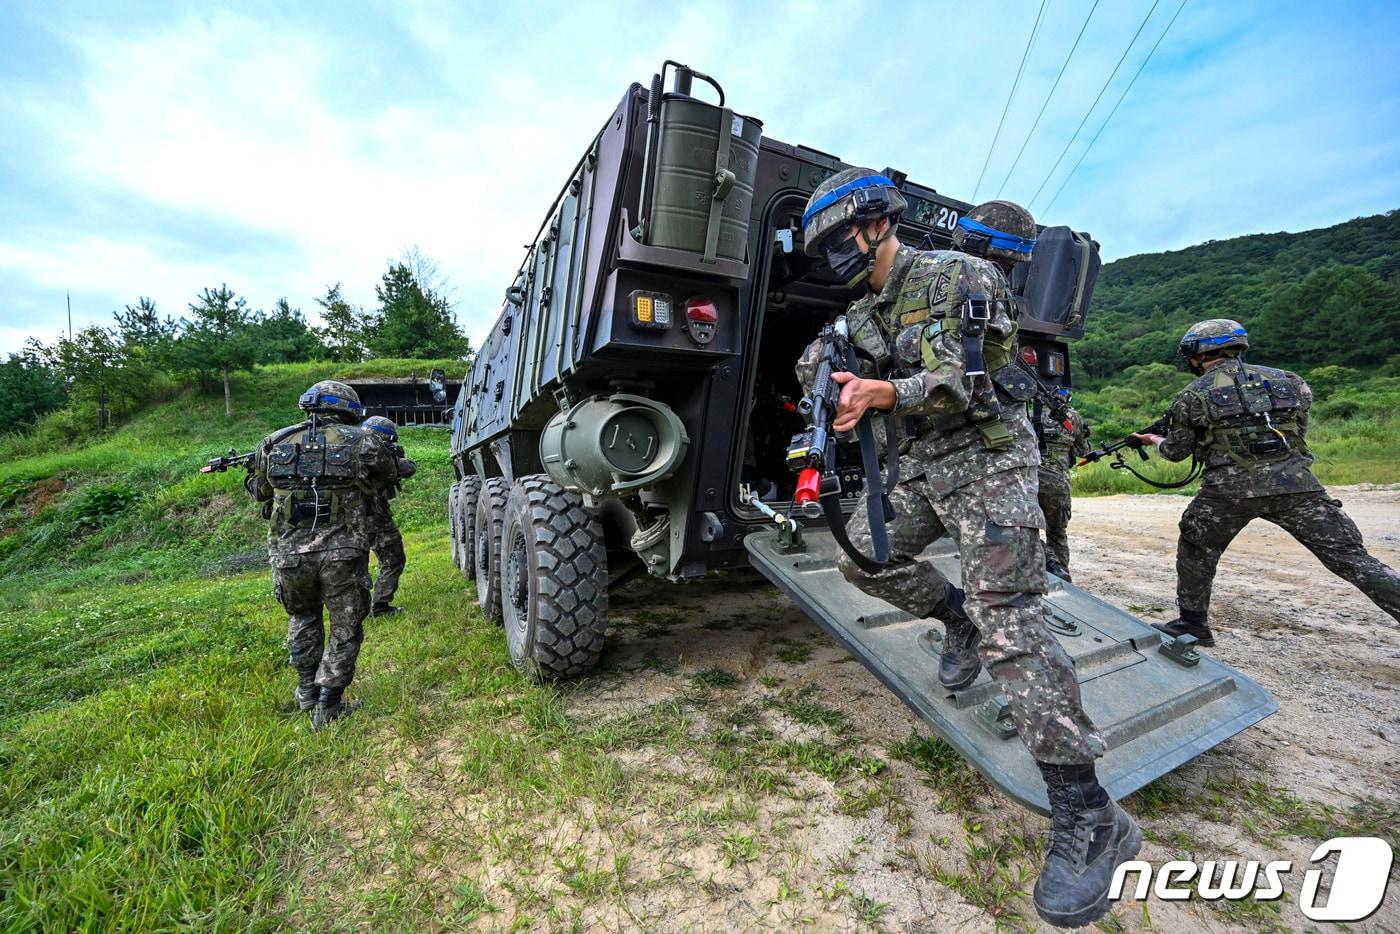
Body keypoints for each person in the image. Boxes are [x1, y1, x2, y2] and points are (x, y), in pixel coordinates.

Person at [797, 175, 1139, 928]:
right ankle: (956, 621)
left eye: (837, 239)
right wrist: (830, 386)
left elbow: (969, 379)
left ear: (879, 224)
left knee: (1011, 622)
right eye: (821, 248)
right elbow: (818, 361)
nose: (833, 257)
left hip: (990, 457)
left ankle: (1089, 814)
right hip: (920, 469)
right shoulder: (860, 314)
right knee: (860, 559)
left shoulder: (962, 276)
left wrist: (888, 395)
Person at [1133, 319, 1400, 644]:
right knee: (1353, 559)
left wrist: (1154, 441)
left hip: (1229, 493)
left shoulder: (1192, 395)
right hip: (1297, 486)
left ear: (1197, 355)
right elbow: (1297, 434)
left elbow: (1176, 452)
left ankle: (1193, 625)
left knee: (1196, 545)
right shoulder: (1291, 381)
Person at [245, 380, 396, 731]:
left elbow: (260, 492)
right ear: (347, 408)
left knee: (302, 618)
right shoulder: (364, 440)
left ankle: (306, 693)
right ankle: (329, 704)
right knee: (345, 626)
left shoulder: (274, 442)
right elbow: (389, 473)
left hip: (289, 555)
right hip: (343, 552)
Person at [361, 416, 416, 616]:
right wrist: (393, 456)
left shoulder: (348, 448)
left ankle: (357, 609)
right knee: (393, 560)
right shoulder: (377, 454)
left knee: (354, 566)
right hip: (375, 519)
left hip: (347, 520)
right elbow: (407, 468)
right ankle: (381, 606)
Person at [1035, 387, 1091, 581]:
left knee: (1026, 530)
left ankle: (1048, 561)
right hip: (1059, 484)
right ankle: (1061, 573)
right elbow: (1083, 450)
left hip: (1030, 480)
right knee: (1057, 533)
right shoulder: (1073, 417)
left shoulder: (1029, 414)